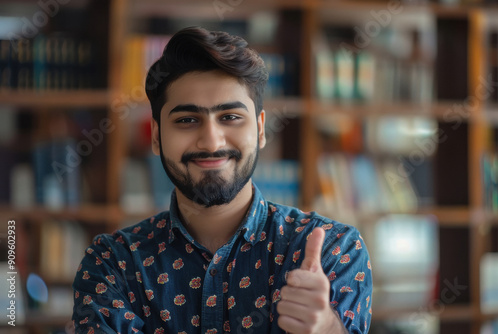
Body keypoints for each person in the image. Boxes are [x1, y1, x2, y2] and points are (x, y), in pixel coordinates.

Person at [72, 26, 372, 334]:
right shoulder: (112, 263)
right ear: (157, 136)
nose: (212, 142)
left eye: (230, 117)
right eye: (187, 120)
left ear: (260, 129)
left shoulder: (332, 251)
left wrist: (325, 328)